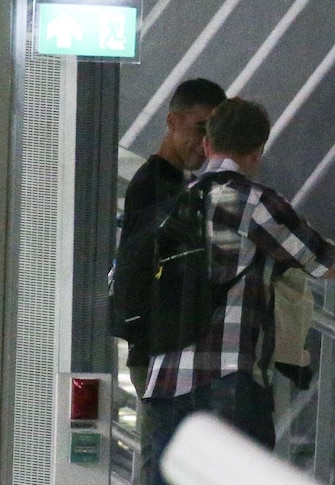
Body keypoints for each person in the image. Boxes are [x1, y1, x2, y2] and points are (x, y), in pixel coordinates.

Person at [141, 97, 335, 485]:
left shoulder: (168, 203)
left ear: (206, 145)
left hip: (163, 381)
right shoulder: (257, 203)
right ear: (256, 153)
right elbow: (325, 263)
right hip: (229, 379)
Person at [119, 78, 227, 484]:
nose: (204, 143)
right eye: (200, 128)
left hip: (171, 343)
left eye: (211, 133)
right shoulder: (155, 185)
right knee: (162, 458)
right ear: (173, 121)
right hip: (159, 345)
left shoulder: (175, 183)